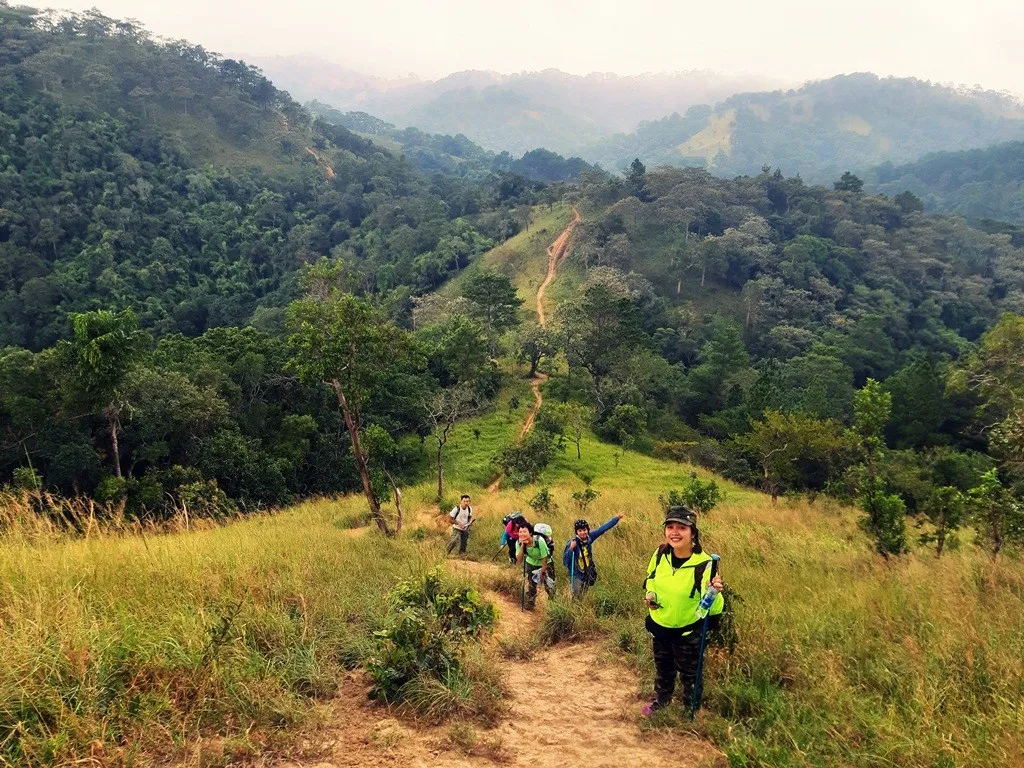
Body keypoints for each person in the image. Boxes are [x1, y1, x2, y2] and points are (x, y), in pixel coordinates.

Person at [641, 506, 724, 716]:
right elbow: (651, 579)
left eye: (681, 528)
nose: (674, 532)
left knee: (690, 674)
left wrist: (715, 591)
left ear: (693, 533)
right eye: (670, 527)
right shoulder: (660, 554)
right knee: (663, 668)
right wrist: (651, 595)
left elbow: (713, 607)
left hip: (687, 631)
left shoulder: (705, 564)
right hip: (660, 625)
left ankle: (690, 711)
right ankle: (661, 702)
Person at [563, 513, 624, 598]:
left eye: (584, 530)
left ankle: (581, 608)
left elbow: (602, 529)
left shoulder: (589, 538)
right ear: (576, 532)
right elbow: (565, 561)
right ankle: (575, 609)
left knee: (583, 594)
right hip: (576, 574)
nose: (583, 532)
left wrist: (616, 519)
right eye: (580, 531)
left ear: (587, 530)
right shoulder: (572, 543)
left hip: (587, 571)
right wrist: (570, 549)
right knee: (576, 597)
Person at [516, 522, 551, 609]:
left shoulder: (539, 540)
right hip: (531, 562)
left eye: (524, 531)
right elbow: (519, 560)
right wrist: (523, 546)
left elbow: (545, 556)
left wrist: (543, 570)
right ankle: (531, 603)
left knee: (549, 585)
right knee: (532, 584)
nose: (522, 534)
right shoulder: (518, 543)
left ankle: (552, 605)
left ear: (530, 533)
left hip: (545, 563)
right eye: (520, 532)